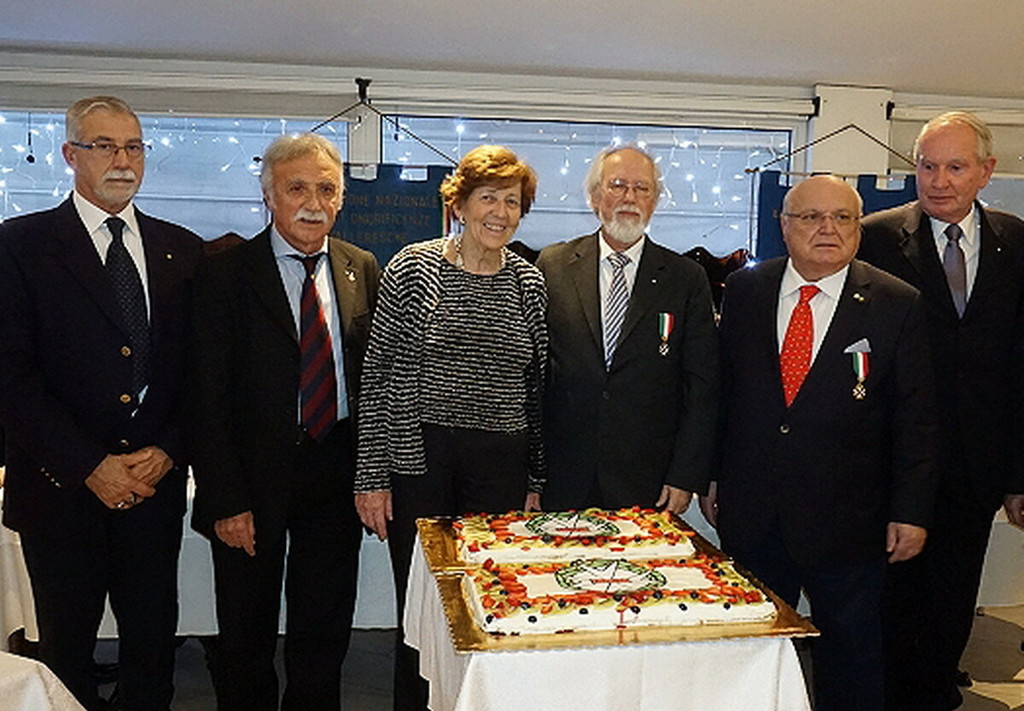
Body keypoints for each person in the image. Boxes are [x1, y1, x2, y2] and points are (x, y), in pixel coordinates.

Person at [702, 175, 937, 711]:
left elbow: (916, 419)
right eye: (811, 217)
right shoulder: (745, 291)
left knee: (851, 660)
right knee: (752, 654)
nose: (827, 228)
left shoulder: (896, 302)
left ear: (858, 228)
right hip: (754, 513)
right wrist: (712, 474)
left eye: (842, 217)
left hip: (851, 522)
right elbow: (723, 393)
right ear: (784, 227)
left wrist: (911, 511)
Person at [0, 95, 202, 710]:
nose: (123, 160)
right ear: (70, 154)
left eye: (134, 147)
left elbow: (199, 373)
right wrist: (91, 465)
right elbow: (11, 378)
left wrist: (168, 449)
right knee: (66, 654)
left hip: (153, 487)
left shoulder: (182, 249)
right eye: (105, 146)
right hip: (60, 492)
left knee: (152, 650)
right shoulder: (19, 245)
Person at [189, 133, 380, 711]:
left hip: (335, 470)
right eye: (297, 188)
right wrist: (225, 499)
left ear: (341, 198)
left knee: (324, 628)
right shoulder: (224, 274)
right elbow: (205, 398)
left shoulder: (360, 267)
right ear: (268, 196)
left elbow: (372, 382)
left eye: (327, 189)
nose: (313, 203)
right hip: (250, 479)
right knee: (245, 630)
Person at [354, 145, 547, 711]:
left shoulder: (529, 283)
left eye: (512, 202)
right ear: (458, 205)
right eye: (488, 198)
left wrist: (535, 478)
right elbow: (377, 375)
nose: (500, 213)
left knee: (493, 605)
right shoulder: (413, 268)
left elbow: (537, 389)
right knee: (423, 611)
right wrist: (371, 476)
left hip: (502, 466)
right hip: (421, 463)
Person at [858, 111, 1024, 711]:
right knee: (891, 590)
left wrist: (1019, 474)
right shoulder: (873, 237)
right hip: (892, 457)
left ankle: (934, 689)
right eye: (928, 166)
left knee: (954, 588)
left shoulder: (1017, 242)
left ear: (986, 171)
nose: (939, 180)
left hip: (978, 459)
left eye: (955, 167)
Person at [536, 145, 718, 513]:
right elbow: (535, 377)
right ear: (594, 197)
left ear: (655, 201)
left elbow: (702, 386)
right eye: (617, 185)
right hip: (562, 474)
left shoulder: (686, 279)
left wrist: (686, 475)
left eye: (642, 188)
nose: (629, 197)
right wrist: (531, 476)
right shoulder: (552, 266)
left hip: (648, 479)